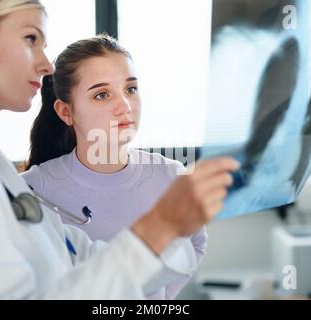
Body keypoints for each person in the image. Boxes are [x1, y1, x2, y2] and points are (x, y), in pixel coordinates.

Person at [0, 0, 239, 299]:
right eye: (31, 39)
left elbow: (77, 258)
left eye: (131, 88)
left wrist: (170, 228)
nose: (45, 65)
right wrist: (160, 228)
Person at [22, 35, 207, 299]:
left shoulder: (171, 176)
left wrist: (160, 296)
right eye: (102, 95)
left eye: (130, 89)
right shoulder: (32, 190)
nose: (124, 106)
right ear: (65, 112)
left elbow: (196, 242)